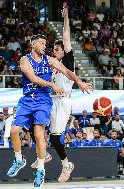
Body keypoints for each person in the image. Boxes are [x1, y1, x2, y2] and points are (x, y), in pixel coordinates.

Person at [6, 33, 91, 187]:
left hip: (44, 101)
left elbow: (68, 72)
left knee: (40, 136)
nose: (45, 46)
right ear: (33, 44)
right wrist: (52, 85)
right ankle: (19, 160)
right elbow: (32, 78)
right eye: (42, 43)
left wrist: (80, 82)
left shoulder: (50, 60)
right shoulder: (25, 59)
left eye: (46, 43)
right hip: (27, 99)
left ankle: (41, 170)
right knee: (14, 131)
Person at [30, 3, 92, 183]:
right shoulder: (50, 64)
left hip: (62, 102)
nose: (54, 51)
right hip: (50, 100)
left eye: (57, 49)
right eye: (54, 49)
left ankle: (66, 164)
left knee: (56, 139)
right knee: (33, 123)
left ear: (64, 52)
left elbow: (66, 38)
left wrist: (65, 18)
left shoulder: (68, 62)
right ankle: (44, 155)